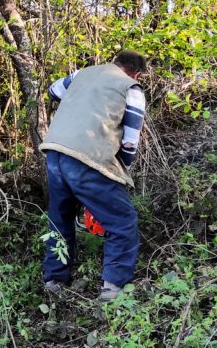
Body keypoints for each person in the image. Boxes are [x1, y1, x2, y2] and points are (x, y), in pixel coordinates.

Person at [39, 50, 147, 301]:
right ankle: (113, 289)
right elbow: (130, 141)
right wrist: (123, 169)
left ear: (115, 62)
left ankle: (54, 280)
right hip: (88, 156)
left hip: (55, 152)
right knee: (122, 221)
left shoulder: (82, 74)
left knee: (60, 218)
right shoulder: (131, 88)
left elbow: (54, 90)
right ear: (136, 72)